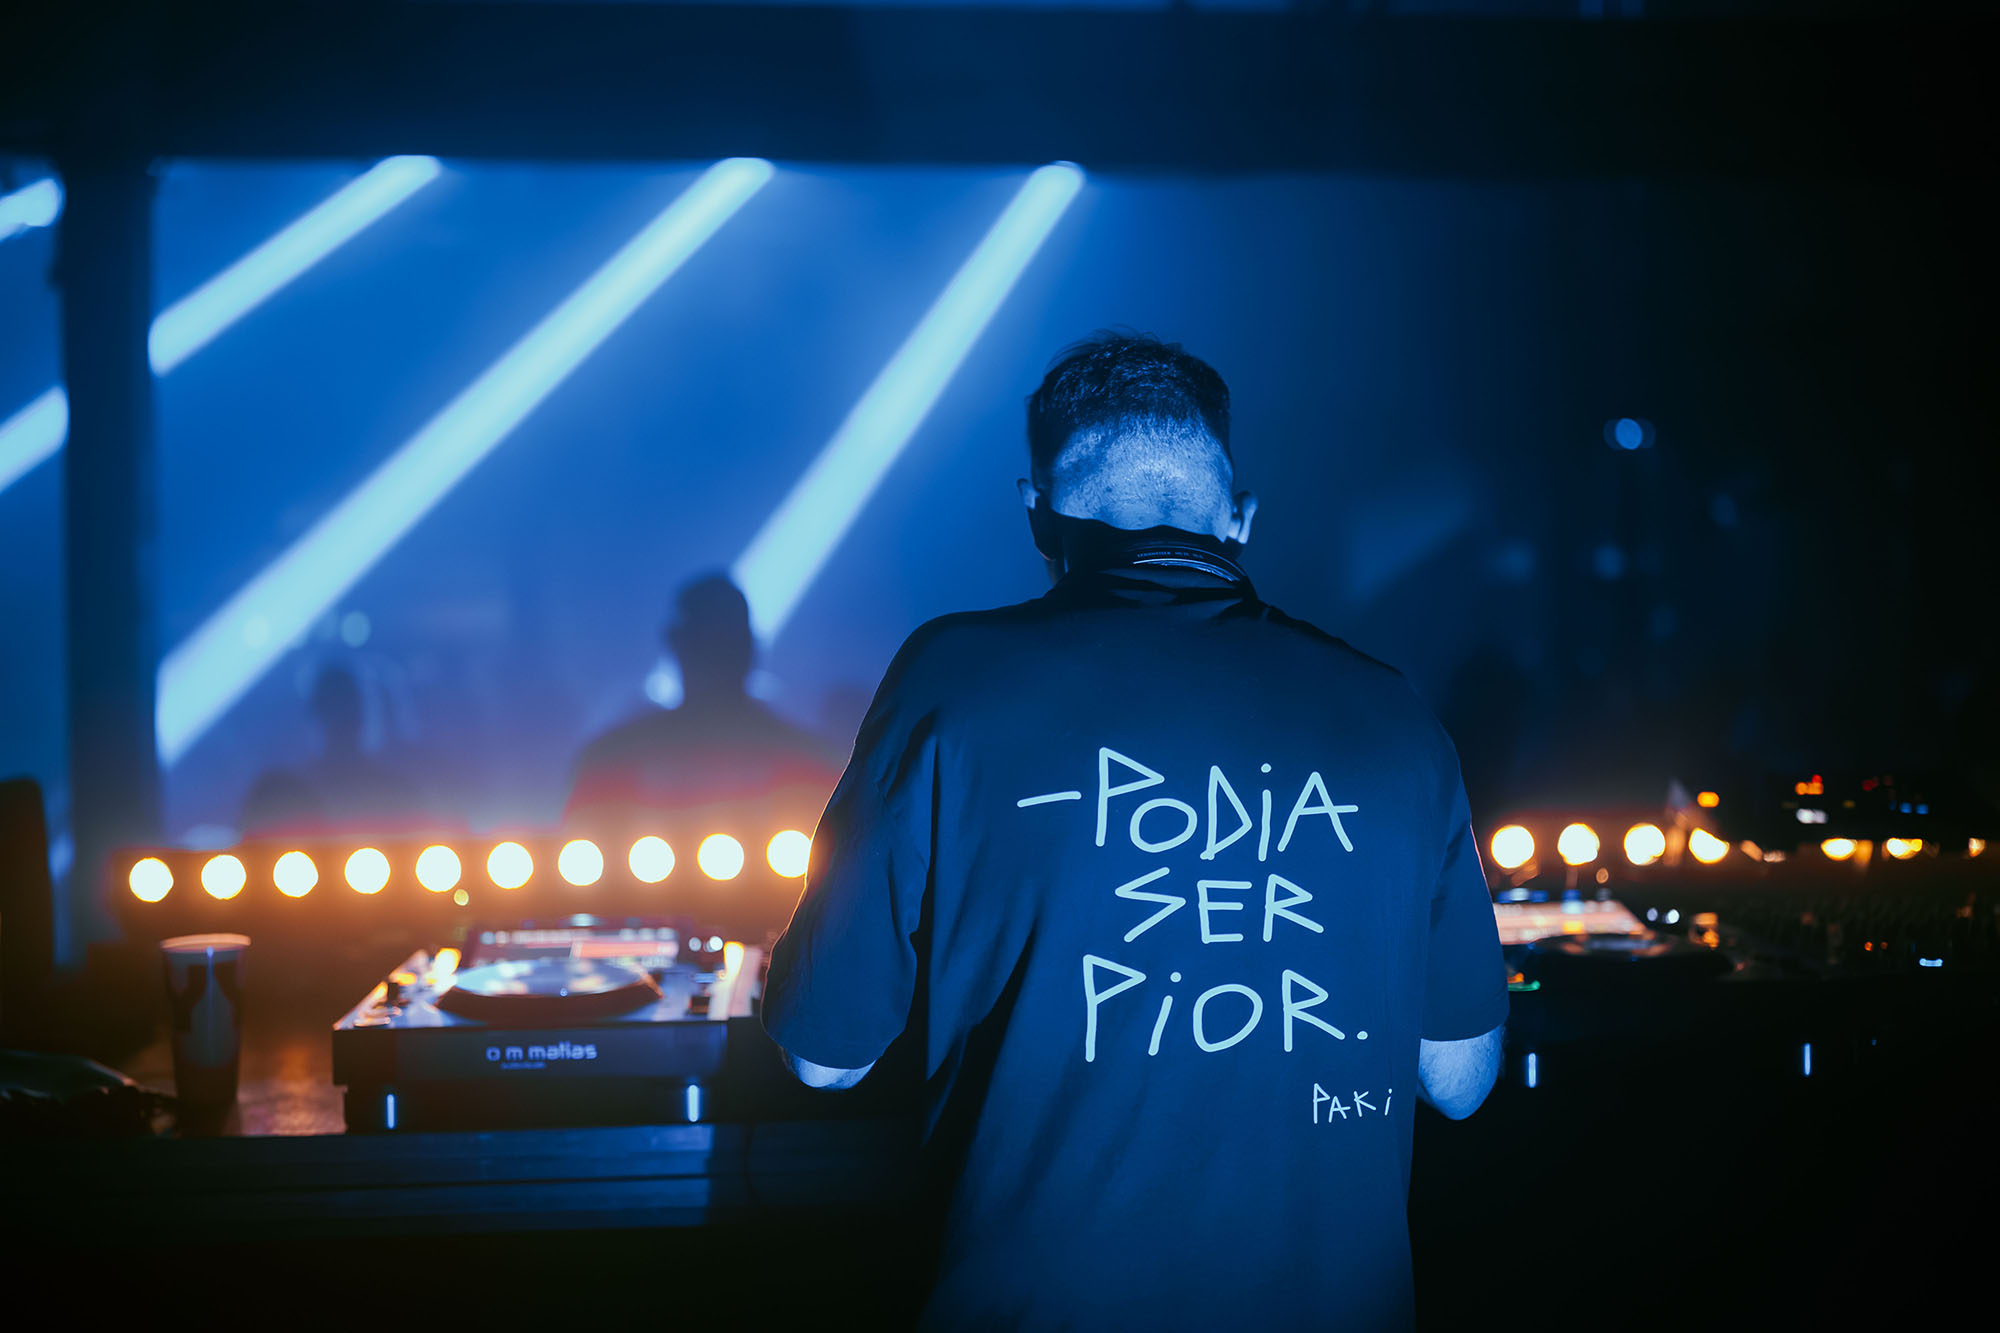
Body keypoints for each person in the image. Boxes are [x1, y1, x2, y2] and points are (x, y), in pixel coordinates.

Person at [759, 332, 1508, 1330]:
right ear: (1239, 518)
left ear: (1036, 513)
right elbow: (1459, 1078)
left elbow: (826, 1055)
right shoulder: (1396, 714)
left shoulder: (952, 680)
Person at [564, 573, 841, 835]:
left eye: (726, 640)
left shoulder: (612, 757)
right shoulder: (807, 757)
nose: (716, 653)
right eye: (707, 638)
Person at [241, 664, 429, 836]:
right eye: (338, 707)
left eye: (350, 705)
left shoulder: (397, 793)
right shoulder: (285, 798)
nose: (345, 717)